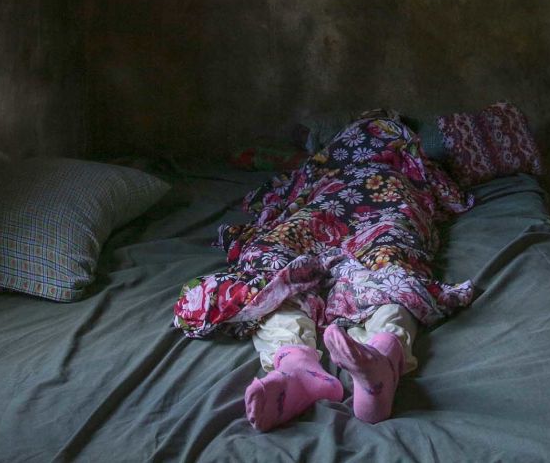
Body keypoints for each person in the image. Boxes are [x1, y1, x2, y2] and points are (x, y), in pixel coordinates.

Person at [172, 114, 475, 430]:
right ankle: (297, 368)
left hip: (388, 204)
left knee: (390, 264)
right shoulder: (322, 162)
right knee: (273, 270)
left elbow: (446, 194)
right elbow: (273, 168)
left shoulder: (416, 159)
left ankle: (382, 359)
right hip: (323, 205)